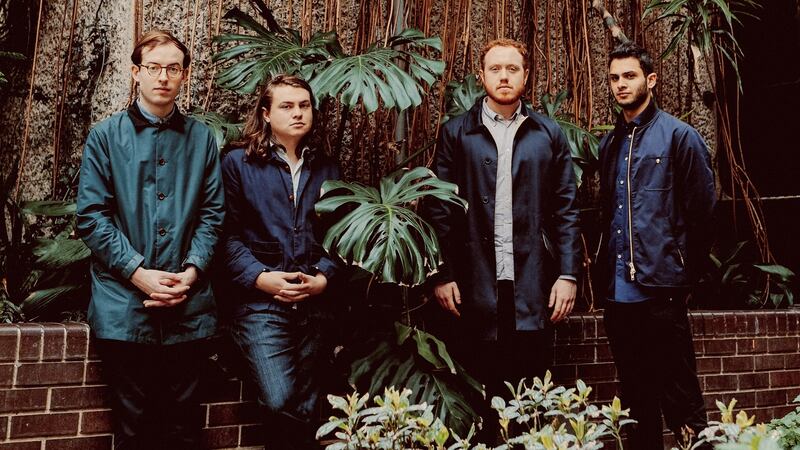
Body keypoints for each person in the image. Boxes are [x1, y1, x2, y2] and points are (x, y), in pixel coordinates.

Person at [76, 30, 225, 449]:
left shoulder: (202, 140)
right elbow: (91, 217)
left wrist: (191, 273)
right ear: (135, 72)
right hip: (124, 307)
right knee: (134, 429)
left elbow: (213, 215)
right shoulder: (105, 137)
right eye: (154, 68)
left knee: (184, 430)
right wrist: (139, 274)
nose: (163, 77)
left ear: (184, 76)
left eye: (173, 69)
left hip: (188, 308)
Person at [426, 38, 581, 398]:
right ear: (481, 76)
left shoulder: (548, 134)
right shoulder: (456, 133)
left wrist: (568, 274)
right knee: (482, 393)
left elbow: (566, 209)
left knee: (530, 396)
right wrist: (442, 274)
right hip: (474, 283)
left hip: (533, 281)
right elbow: (439, 209)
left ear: (526, 76)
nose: (504, 76)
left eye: (513, 69)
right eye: (495, 69)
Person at [598, 41, 716, 450]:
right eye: (614, 78)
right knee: (635, 398)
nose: (620, 85)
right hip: (618, 295)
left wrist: (682, 274)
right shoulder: (609, 144)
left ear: (650, 79)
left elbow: (702, 215)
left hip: (662, 290)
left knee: (680, 396)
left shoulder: (680, 137)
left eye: (629, 76)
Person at [220, 74, 340, 450]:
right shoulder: (238, 164)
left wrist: (324, 278)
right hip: (259, 305)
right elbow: (224, 236)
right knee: (279, 398)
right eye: (287, 106)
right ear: (266, 113)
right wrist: (261, 278)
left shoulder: (327, 168)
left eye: (304, 105)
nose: (298, 113)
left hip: (313, 304)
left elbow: (342, 235)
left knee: (306, 406)